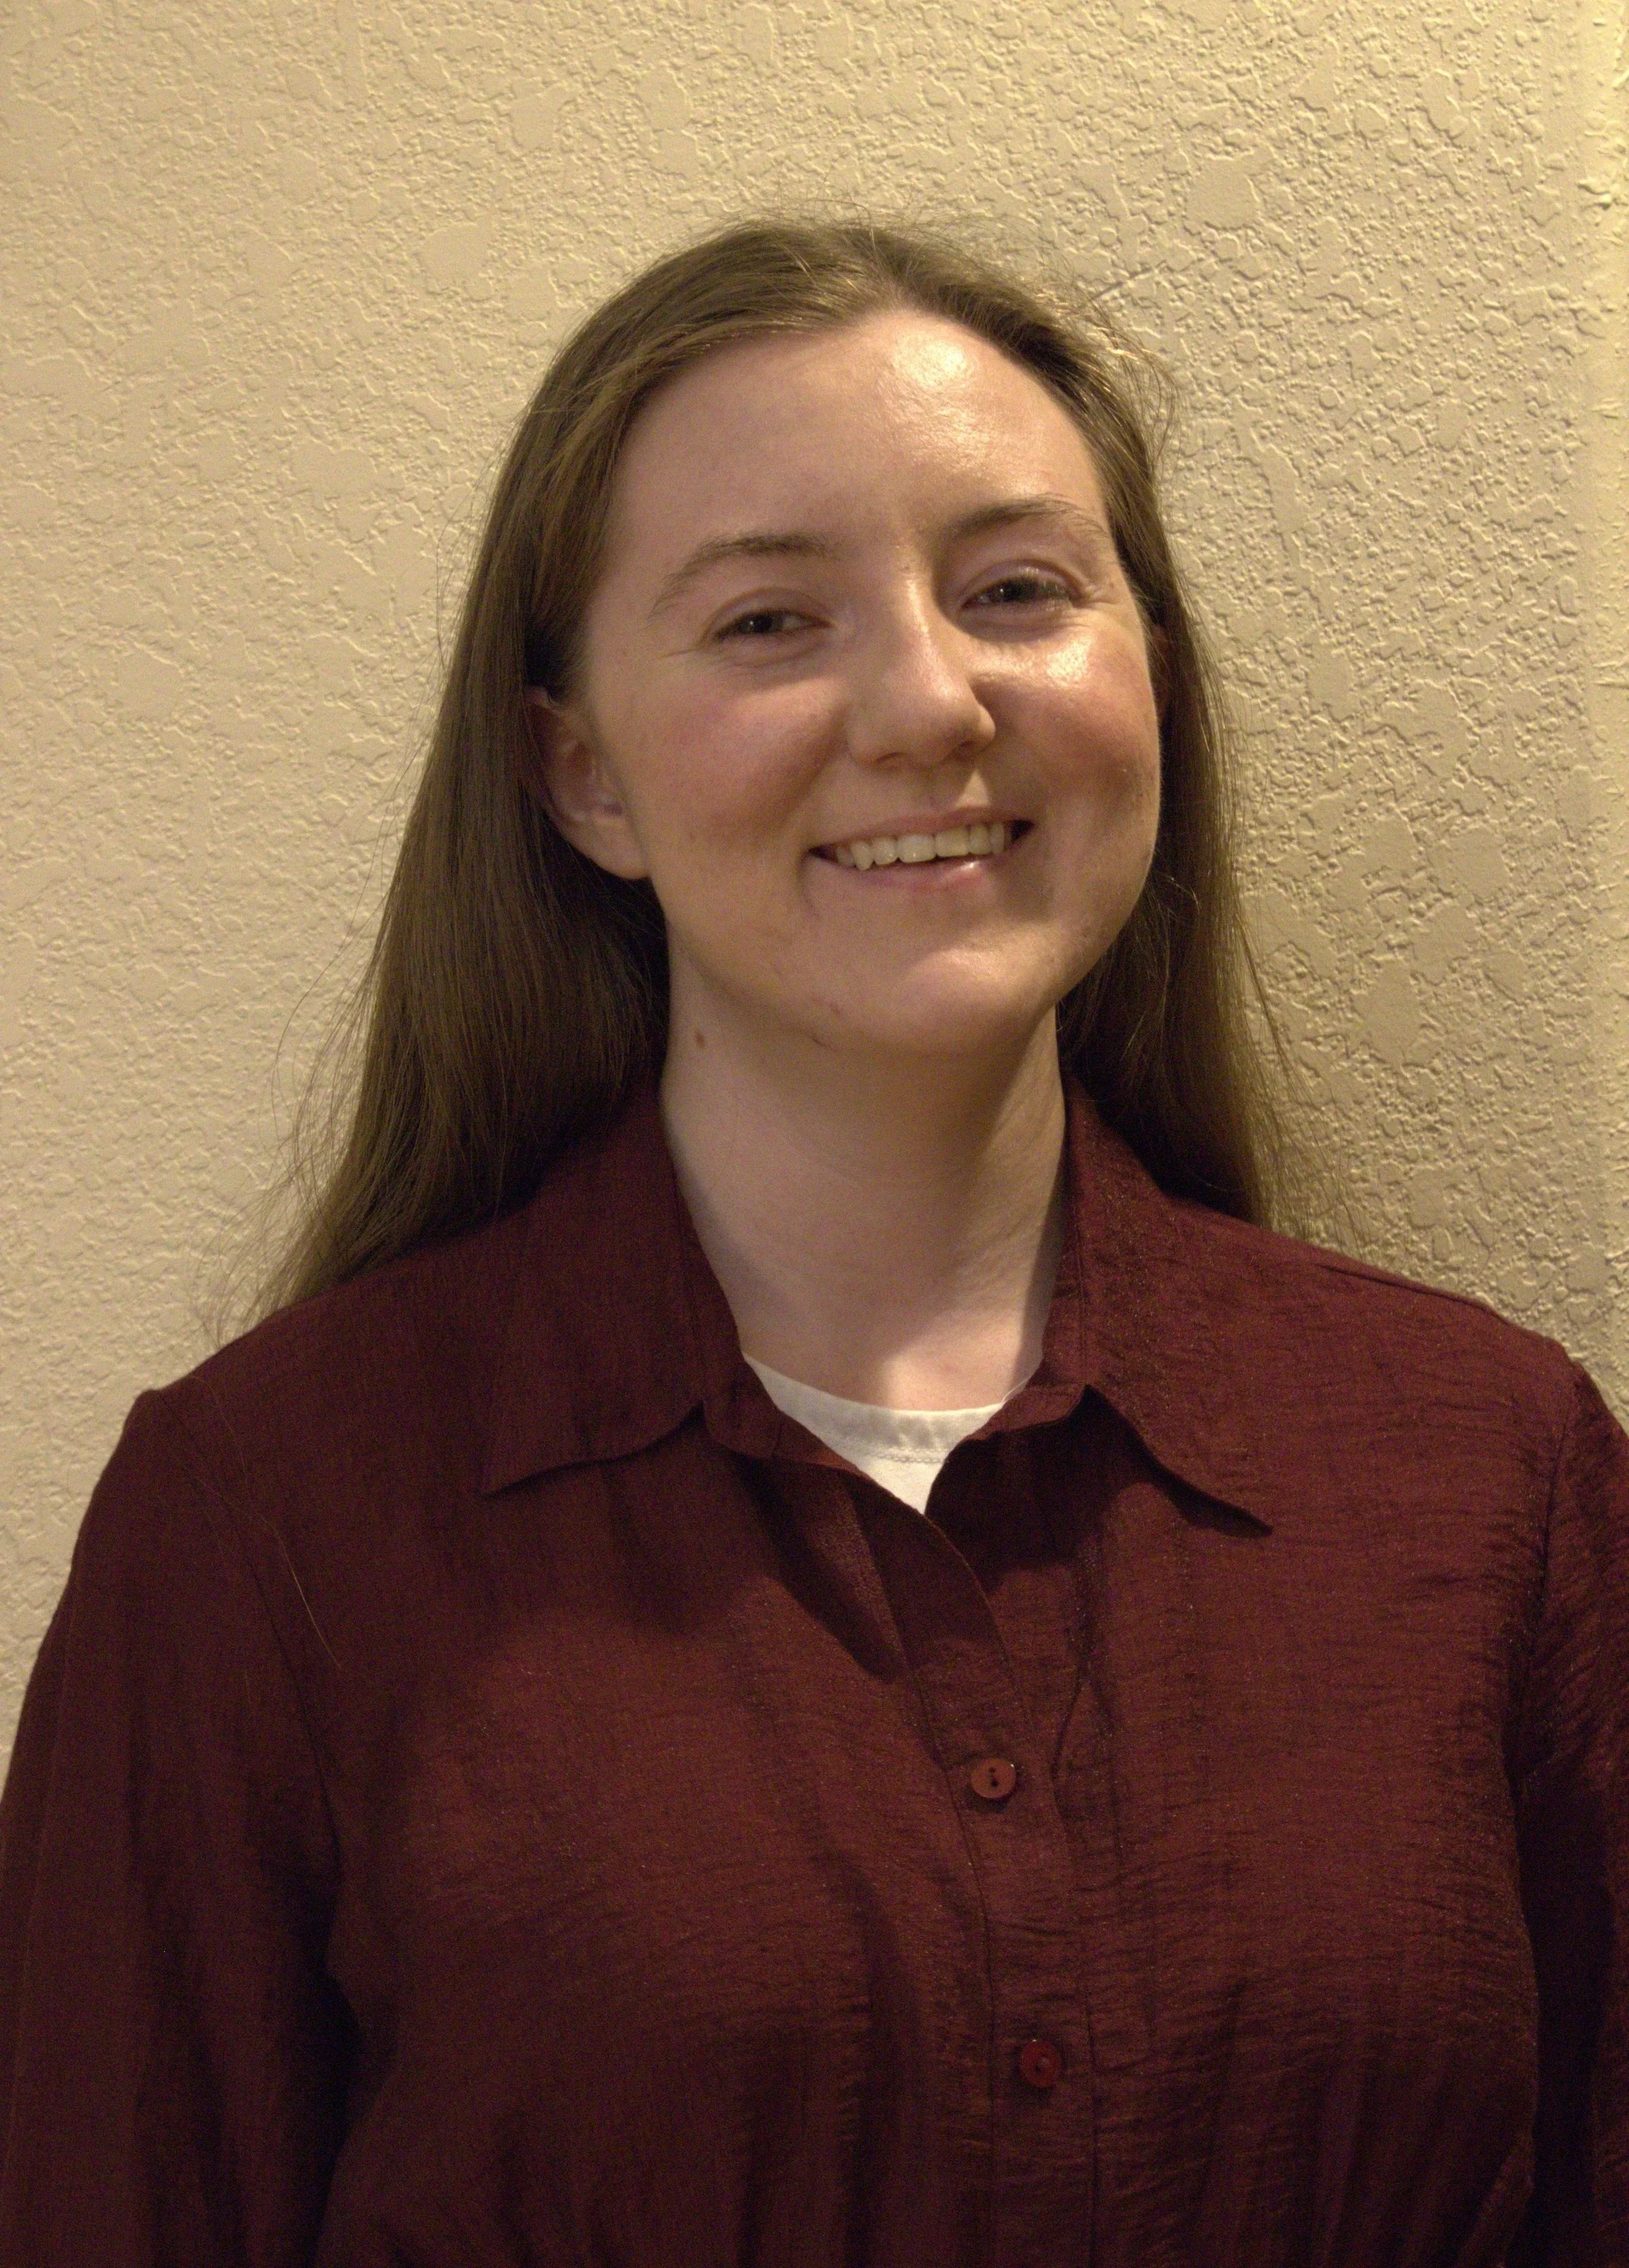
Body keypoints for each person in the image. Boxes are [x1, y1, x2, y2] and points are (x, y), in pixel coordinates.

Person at [0, 218, 1622, 2267]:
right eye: (772, 623)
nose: (931, 702)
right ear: (578, 773)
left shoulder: (1483, 1466)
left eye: (1018, 591)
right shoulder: (268, 1518)